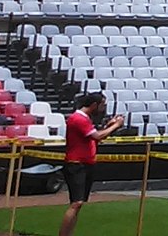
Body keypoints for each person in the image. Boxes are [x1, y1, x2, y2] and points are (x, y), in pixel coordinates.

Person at [57, 93, 122, 236]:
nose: (103, 108)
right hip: (77, 164)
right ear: (94, 105)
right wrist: (115, 126)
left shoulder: (84, 119)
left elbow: (93, 138)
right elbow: (97, 136)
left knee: (78, 203)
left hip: (85, 163)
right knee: (76, 203)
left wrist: (108, 127)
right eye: (102, 105)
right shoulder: (79, 119)